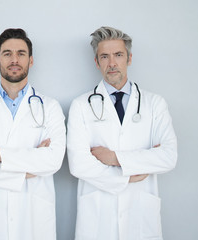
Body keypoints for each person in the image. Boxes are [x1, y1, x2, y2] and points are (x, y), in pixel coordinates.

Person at [67, 26, 177, 240]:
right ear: (96, 62)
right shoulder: (81, 105)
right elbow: (78, 164)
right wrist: (129, 175)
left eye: (118, 55)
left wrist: (113, 158)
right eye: (104, 56)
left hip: (140, 213)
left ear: (129, 58)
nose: (112, 63)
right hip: (98, 214)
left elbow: (168, 156)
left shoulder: (154, 104)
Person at [0, 28, 66, 240]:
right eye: (7, 53)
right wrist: (27, 171)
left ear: (31, 60)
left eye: (21, 53)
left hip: (34, 216)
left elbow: (53, 161)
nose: (14, 60)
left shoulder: (50, 107)